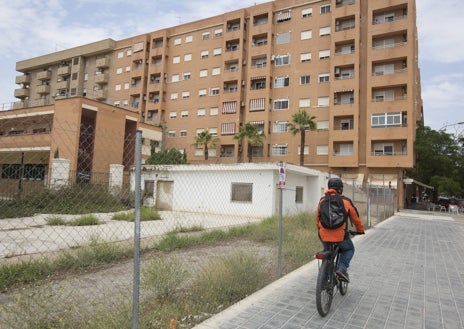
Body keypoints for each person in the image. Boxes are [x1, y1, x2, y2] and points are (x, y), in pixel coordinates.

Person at [316, 177, 365, 282]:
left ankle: (323, 282)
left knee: (327, 256)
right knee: (349, 249)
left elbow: (317, 218)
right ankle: (342, 268)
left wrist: (320, 230)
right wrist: (360, 230)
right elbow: (356, 219)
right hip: (340, 236)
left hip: (324, 235)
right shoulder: (346, 201)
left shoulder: (322, 200)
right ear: (340, 189)